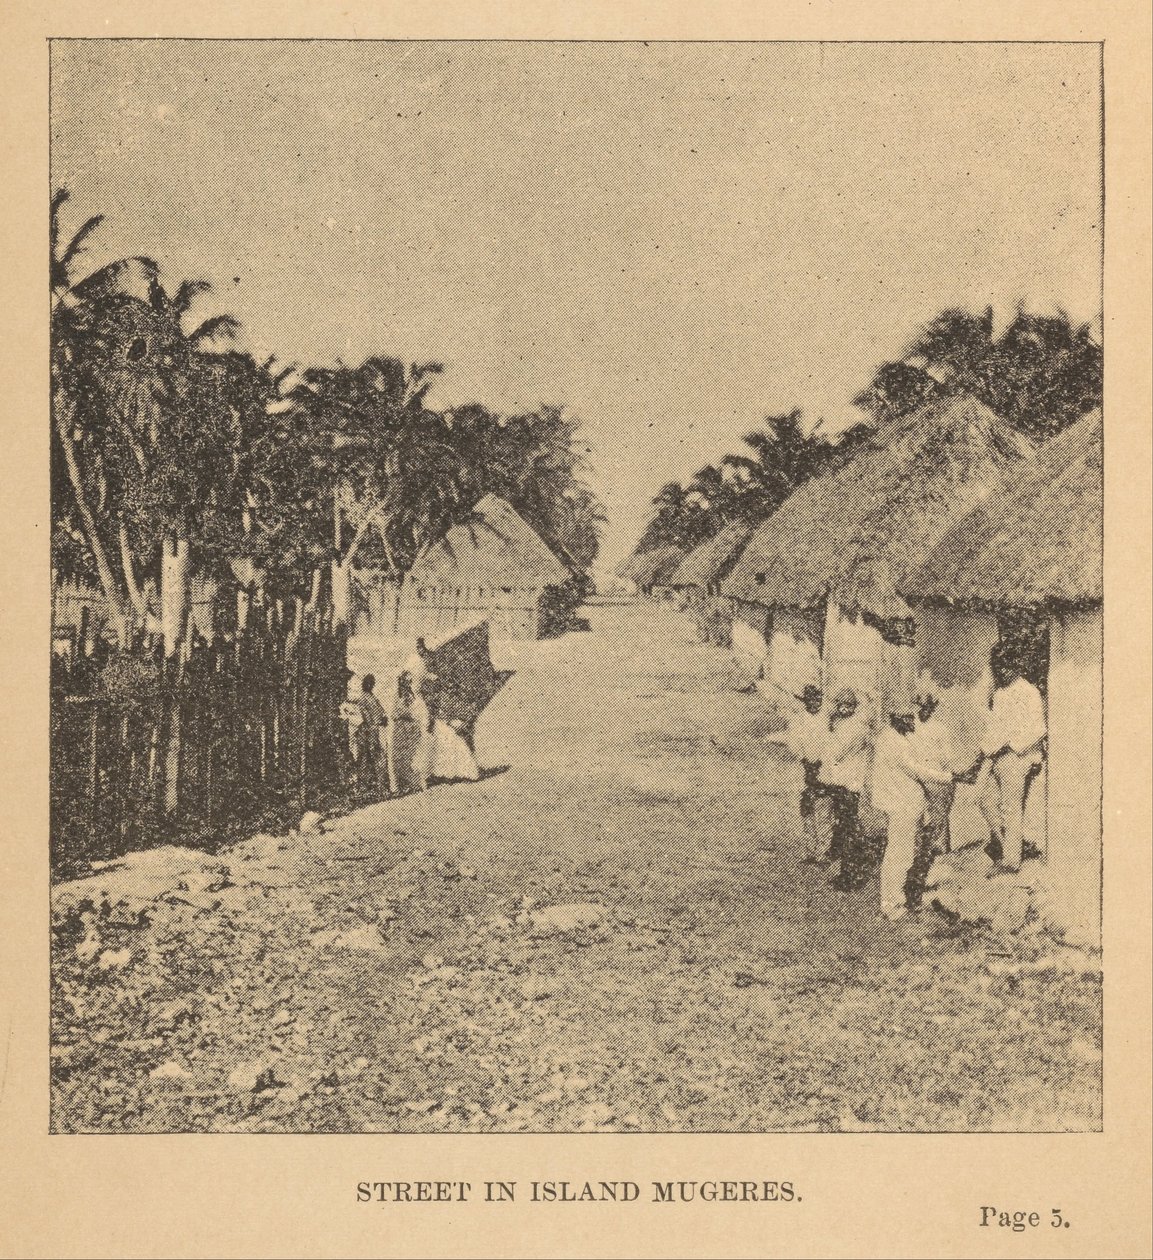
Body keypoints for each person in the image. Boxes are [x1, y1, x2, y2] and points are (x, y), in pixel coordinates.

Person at [871, 709, 955, 921]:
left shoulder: (895, 738)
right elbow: (917, 770)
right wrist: (951, 776)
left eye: (912, 717)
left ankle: (894, 902)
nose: (912, 722)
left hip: (906, 806)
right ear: (896, 719)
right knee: (899, 856)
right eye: (907, 718)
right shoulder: (894, 743)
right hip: (902, 807)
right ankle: (893, 906)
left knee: (902, 854)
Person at [973, 646, 1047, 873]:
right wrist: (982, 754)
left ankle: (1011, 861)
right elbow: (994, 730)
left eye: (1007, 666)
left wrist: (1010, 746)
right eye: (998, 667)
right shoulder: (999, 694)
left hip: (1019, 756)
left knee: (1010, 808)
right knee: (982, 798)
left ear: (1016, 665)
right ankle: (1009, 845)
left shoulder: (1029, 691)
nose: (1002, 672)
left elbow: (1039, 729)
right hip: (998, 756)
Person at [767, 685, 832, 864]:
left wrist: (822, 761)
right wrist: (804, 759)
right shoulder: (798, 720)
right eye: (811, 700)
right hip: (805, 769)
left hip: (824, 768)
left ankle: (823, 851)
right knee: (807, 809)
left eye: (818, 699)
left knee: (824, 810)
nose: (815, 703)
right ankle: (810, 851)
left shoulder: (827, 719)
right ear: (805, 701)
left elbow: (832, 743)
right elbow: (794, 742)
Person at [818, 688, 875, 891]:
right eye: (841, 705)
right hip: (840, 784)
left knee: (849, 828)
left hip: (850, 785)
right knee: (843, 826)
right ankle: (845, 869)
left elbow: (838, 753)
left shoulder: (856, 729)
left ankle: (849, 876)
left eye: (849, 706)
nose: (844, 709)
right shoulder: (841, 725)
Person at [389, 670, 430, 795]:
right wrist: (402, 715)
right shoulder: (397, 696)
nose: (407, 684)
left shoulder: (414, 696)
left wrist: (415, 720)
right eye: (405, 681)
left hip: (412, 728)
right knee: (400, 756)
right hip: (400, 728)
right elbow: (394, 713)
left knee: (413, 755)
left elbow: (419, 712)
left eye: (409, 681)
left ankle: (414, 784)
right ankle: (402, 785)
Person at [353, 674, 388, 801]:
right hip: (367, 732)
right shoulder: (363, 698)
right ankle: (364, 788)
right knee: (366, 758)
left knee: (377, 756)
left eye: (372, 683)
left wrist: (383, 718)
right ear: (365, 684)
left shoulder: (373, 697)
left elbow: (381, 711)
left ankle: (377, 787)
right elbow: (366, 716)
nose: (371, 685)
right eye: (369, 683)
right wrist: (375, 723)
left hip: (375, 730)